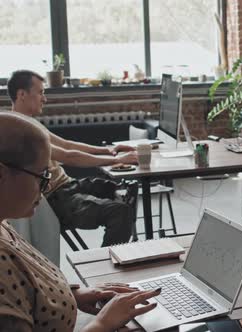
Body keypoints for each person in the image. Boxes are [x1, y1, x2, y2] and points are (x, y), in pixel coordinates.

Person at [0, 112, 160, 332]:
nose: (46, 186)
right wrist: (102, 323)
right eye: (41, 175)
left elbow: (28, 291)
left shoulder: (4, 225)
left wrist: (72, 295)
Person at [8, 70, 138, 247]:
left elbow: (68, 145)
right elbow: (68, 156)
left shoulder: (30, 122)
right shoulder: (20, 130)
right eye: (40, 93)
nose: (44, 99)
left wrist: (109, 150)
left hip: (68, 185)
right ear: (21, 94)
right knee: (120, 212)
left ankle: (126, 252)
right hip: (57, 198)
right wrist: (115, 160)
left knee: (119, 190)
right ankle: (106, 268)